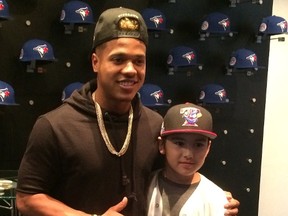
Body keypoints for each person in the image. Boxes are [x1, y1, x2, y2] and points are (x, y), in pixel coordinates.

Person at [16, 7, 239, 216]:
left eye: (138, 61)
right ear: (96, 62)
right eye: (118, 59)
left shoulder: (154, 123)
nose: (130, 70)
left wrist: (213, 198)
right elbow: (26, 198)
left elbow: (174, 173)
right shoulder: (55, 125)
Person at [147, 102, 232, 215]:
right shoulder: (144, 185)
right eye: (180, 143)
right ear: (162, 144)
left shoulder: (217, 199)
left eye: (198, 145)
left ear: (208, 148)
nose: (189, 154)